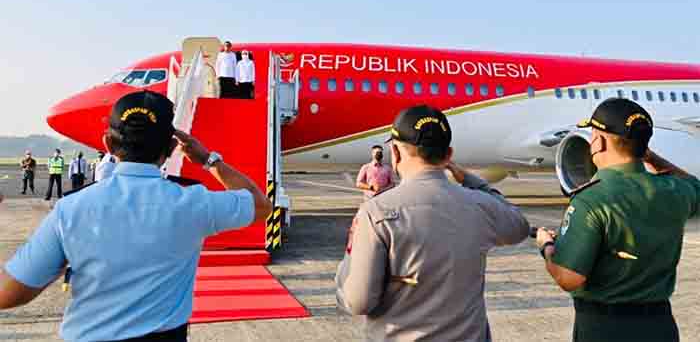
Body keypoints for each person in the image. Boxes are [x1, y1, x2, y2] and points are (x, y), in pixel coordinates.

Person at [0, 90, 272, 342]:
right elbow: (261, 206)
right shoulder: (194, 203)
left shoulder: (70, 209)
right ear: (172, 148)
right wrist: (208, 159)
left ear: (107, 143)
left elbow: (11, 292)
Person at [335, 105, 530, 341]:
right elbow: (519, 227)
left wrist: (344, 271)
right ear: (448, 156)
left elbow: (358, 301)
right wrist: (471, 180)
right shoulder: (480, 205)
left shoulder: (375, 212)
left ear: (395, 153)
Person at [535, 98, 699, 342]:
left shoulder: (592, 199)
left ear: (599, 142)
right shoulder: (674, 191)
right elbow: (694, 185)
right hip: (660, 326)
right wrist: (652, 160)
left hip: (605, 328)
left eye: (593, 134)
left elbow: (569, 277)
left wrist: (547, 246)